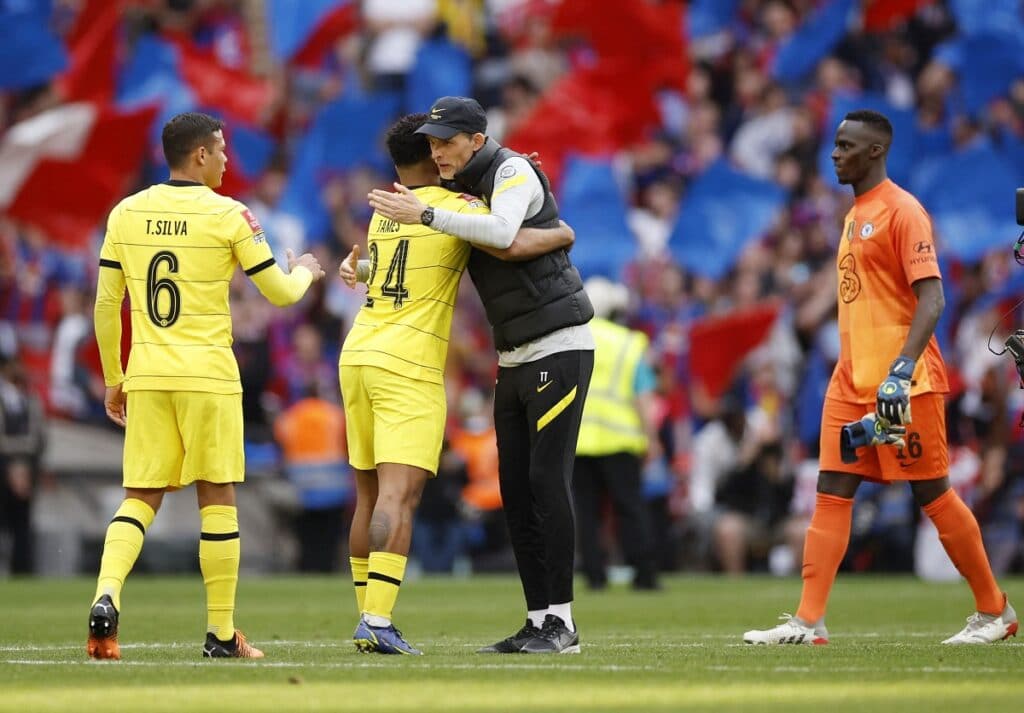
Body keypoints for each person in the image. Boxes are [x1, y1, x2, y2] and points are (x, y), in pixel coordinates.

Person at [743, 109, 1016, 646]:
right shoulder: (854, 214)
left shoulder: (903, 211)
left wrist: (900, 369)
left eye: (845, 146)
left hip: (904, 382)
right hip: (850, 382)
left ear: (875, 152)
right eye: (835, 144)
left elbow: (933, 297)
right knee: (831, 491)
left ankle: (996, 611)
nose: (834, 154)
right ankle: (808, 621)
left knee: (933, 494)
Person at [87, 111, 325, 660]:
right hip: (209, 377)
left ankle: (105, 595)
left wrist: (114, 380)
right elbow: (282, 295)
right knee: (216, 497)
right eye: (220, 149)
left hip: (147, 376)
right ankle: (221, 634)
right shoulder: (231, 215)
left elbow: (106, 305)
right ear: (198, 155)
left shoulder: (126, 213)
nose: (226, 159)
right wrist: (307, 270)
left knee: (139, 497)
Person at [338, 113, 575, 655]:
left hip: (358, 353)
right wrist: (551, 216)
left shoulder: (384, 214)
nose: (447, 155)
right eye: (440, 147)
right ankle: (377, 619)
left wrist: (358, 273)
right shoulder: (456, 208)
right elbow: (507, 236)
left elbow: (384, 269)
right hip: (408, 363)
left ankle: (366, 615)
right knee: (401, 494)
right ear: (431, 156)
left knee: (368, 495)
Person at [572, 277, 660, 590]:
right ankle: (644, 574)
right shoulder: (628, 343)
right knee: (629, 510)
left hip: (579, 440)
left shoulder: (573, 339)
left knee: (586, 514)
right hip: (621, 440)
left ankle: (594, 575)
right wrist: (652, 439)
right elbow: (643, 397)